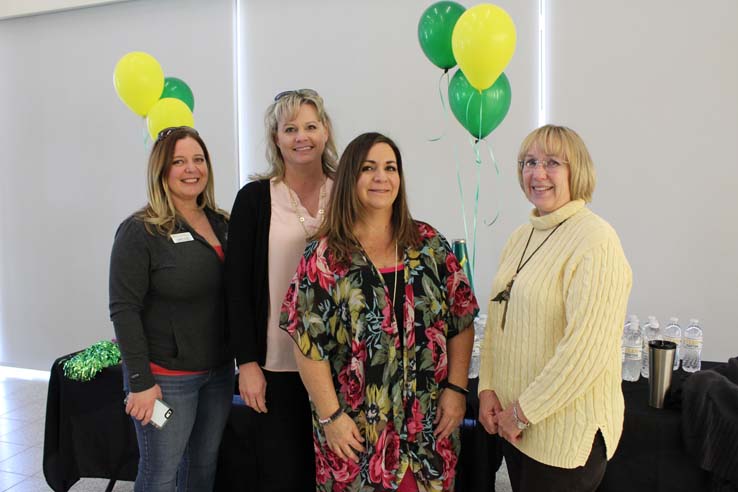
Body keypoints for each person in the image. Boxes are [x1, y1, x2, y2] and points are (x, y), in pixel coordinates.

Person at [280, 132, 479, 492]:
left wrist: (456, 389)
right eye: (368, 168)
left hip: (428, 428)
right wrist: (331, 417)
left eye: (390, 168)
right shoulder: (325, 258)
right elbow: (308, 345)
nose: (381, 177)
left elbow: (461, 319)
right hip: (355, 432)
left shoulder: (430, 246)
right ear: (350, 178)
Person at [477, 125, 632, 492]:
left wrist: (522, 413)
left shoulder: (596, 240)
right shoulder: (523, 235)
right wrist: (487, 388)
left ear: (575, 170)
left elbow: (585, 352)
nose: (538, 173)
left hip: (564, 439)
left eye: (552, 163)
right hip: (518, 432)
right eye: (529, 162)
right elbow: (497, 322)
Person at [109, 126, 234, 491]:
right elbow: (123, 310)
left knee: (203, 466)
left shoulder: (221, 223)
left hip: (219, 373)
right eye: (179, 161)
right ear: (161, 170)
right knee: (160, 471)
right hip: (165, 381)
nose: (191, 169)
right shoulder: (140, 231)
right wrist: (140, 383)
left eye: (198, 159)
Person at [225, 89, 338, 491]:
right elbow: (235, 288)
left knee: (339, 473)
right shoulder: (254, 199)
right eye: (290, 128)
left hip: (340, 367)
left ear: (325, 132)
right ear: (276, 138)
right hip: (274, 364)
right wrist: (248, 364)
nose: (301, 136)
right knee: (281, 473)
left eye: (310, 126)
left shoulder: (347, 193)